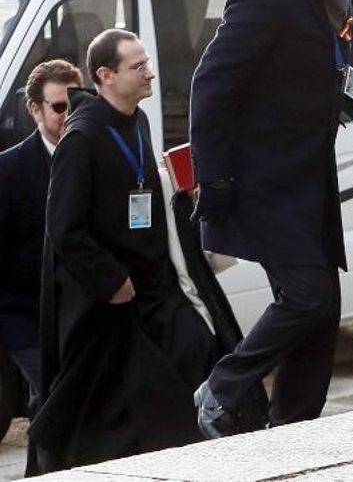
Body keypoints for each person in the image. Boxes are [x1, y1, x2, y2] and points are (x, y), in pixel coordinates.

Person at [190, 0, 353, 435]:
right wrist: (216, 183)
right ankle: (223, 385)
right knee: (307, 297)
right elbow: (210, 87)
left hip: (308, 181)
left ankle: (297, 430)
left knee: (323, 313)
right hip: (262, 183)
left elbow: (336, 75)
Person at [26, 32, 219, 472]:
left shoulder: (138, 120)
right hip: (110, 302)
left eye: (147, 63)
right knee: (104, 419)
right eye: (138, 67)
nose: (150, 72)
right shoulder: (82, 138)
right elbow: (64, 227)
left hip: (155, 289)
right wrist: (111, 279)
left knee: (200, 351)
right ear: (105, 76)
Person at [0, 60, 81, 415]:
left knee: (52, 407)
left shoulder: (92, 156)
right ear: (35, 109)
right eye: (60, 106)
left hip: (79, 314)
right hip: (24, 316)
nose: (69, 114)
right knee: (56, 401)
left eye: (77, 103)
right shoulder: (9, 170)